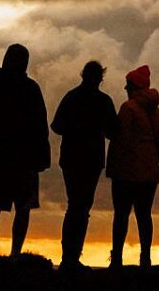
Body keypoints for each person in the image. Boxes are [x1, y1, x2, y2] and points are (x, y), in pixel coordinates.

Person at [0, 44, 50, 257]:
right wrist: (41, 155)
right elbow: (40, 124)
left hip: (3, 158)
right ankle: (14, 254)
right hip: (23, 159)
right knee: (22, 208)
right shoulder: (30, 88)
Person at [50, 60, 117, 268]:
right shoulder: (104, 101)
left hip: (71, 157)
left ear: (83, 75)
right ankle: (72, 257)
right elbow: (112, 132)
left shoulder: (71, 97)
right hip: (91, 159)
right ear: (100, 78)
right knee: (82, 207)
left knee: (75, 206)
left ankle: (69, 257)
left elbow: (57, 126)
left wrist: (75, 129)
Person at [107, 64, 159, 268]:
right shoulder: (158, 113)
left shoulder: (128, 108)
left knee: (121, 215)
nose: (125, 88)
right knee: (144, 215)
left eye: (127, 85)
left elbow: (121, 140)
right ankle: (145, 258)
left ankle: (117, 259)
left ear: (133, 86)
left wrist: (112, 167)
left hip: (126, 170)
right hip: (150, 170)